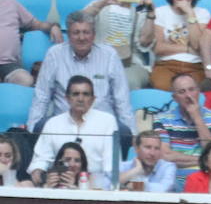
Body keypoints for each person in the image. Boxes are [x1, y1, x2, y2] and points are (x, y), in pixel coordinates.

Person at [27, 11, 135, 141]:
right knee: (39, 128)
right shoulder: (54, 54)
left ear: (94, 35)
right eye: (76, 32)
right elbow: (42, 96)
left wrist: (132, 133)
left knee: (124, 132)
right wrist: (31, 130)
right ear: (68, 35)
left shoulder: (109, 55)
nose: (81, 37)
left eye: (86, 32)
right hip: (64, 123)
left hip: (102, 125)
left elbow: (122, 99)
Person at [30, 75, 118, 188]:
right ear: (67, 98)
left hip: (94, 188)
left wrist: (89, 185)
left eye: (85, 94)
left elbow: (110, 166)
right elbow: (40, 160)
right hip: (59, 186)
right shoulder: (53, 123)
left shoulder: (107, 121)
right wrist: (42, 177)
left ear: (93, 99)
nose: (80, 99)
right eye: (76, 94)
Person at [85, 0, 155, 91]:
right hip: (99, 61)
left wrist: (150, 13)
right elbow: (78, 21)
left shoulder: (139, 13)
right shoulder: (98, 5)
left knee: (128, 82)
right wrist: (103, 2)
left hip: (130, 64)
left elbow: (145, 42)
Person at [155, 72, 211, 186]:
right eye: (182, 92)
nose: (188, 95)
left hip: (207, 180)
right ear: (175, 98)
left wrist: (197, 117)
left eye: (191, 89)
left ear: (199, 91)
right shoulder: (161, 119)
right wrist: (205, 160)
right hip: (172, 179)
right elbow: (165, 156)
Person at [151, 0, 211, 91]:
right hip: (166, 64)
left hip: (195, 66)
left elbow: (197, 45)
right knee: (162, 87)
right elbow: (158, 48)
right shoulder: (160, 12)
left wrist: (190, 13)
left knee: (194, 90)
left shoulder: (202, 13)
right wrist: (187, 49)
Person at [0, 0, 63, 88]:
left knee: (26, 80)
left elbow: (36, 24)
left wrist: (52, 26)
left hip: (10, 64)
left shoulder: (10, 3)